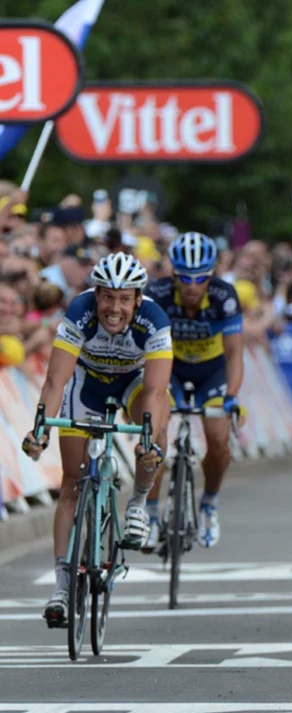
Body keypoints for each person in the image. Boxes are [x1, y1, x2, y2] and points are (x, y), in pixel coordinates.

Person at [22, 252, 170, 627]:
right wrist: (41, 429)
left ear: (138, 299)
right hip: (87, 385)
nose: (114, 308)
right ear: (96, 294)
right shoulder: (80, 311)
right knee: (72, 482)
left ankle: (137, 502)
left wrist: (148, 437)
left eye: (124, 299)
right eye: (107, 297)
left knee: (156, 430)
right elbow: (56, 380)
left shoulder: (155, 321)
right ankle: (61, 586)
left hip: (135, 384)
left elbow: (154, 391)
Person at [143, 233, 243, 550]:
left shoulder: (224, 295)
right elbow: (142, 348)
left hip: (210, 373)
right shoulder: (156, 293)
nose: (191, 285)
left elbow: (235, 354)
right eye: (184, 277)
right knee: (156, 435)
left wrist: (231, 398)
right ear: (174, 274)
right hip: (169, 370)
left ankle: (209, 504)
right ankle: (150, 512)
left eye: (200, 278)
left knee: (217, 437)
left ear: (211, 275)